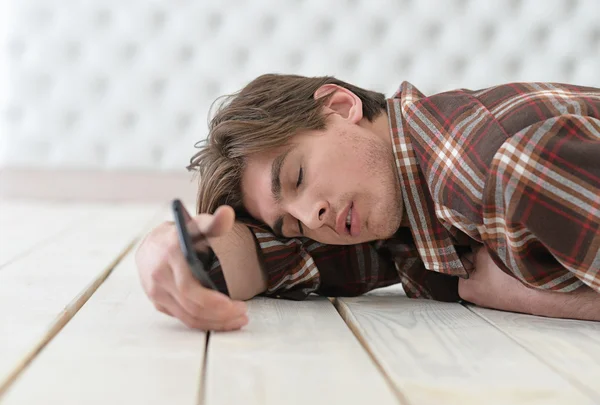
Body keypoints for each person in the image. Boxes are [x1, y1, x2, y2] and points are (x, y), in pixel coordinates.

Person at [135, 74, 600, 330]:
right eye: (292, 225)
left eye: (296, 177)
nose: (310, 217)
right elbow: (252, 257)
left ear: (340, 106)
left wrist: (531, 299)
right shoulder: (397, 213)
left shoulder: (502, 166)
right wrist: (168, 247)